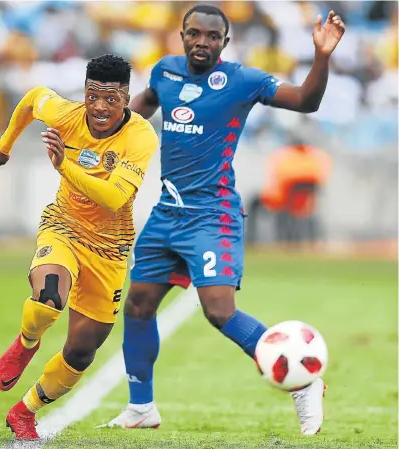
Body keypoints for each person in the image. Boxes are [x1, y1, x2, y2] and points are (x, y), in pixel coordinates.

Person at [104, 5, 344, 435]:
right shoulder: (165, 72)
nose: (202, 42)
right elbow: (136, 113)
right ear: (181, 35)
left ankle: (304, 381)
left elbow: (306, 101)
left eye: (212, 36)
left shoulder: (243, 81)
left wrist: (322, 56)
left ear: (225, 42)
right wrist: (95, 130)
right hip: (166, 212)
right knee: (138, 304)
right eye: (194, 34)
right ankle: (141, 408)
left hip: (213, 216)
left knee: (218, 311)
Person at [0, 54, 158, 441]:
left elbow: (115, 197)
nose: (99, 106)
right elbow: (33, 98)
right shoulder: (66, 113)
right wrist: (5, 144)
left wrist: (66, 166)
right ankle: (27, 343)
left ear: (127, 99)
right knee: (49, 296)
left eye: (111, 99)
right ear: (84, 92)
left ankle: (24, 411)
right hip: (63, 226)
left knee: (82, 351)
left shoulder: (141, 136)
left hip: (111, 248)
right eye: (92, 95)